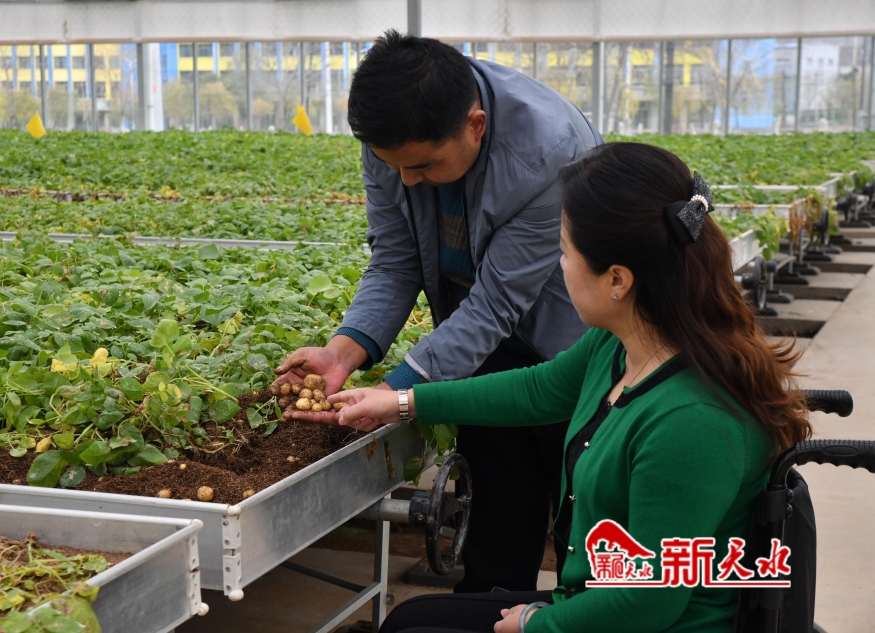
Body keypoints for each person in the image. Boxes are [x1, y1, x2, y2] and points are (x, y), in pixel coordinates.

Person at [326, 142, 811, 633]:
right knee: (409, 619)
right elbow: (538, 390)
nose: (559, 265)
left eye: (564, 251)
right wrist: (403, 401)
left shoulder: (692, 422)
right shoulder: (620, 344)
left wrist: (537, 624)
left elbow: (648, 602)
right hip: (590, 599)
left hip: (654, 624)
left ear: (617, 279)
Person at [273, 31, 602, 592]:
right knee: (500, 503)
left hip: (566, 335)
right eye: (392, 164)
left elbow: (497, 301)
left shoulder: (549, 152)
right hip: (475, 338)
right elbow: (396, 259)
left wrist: (399, 391)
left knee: (581, 504)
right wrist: (341, 353)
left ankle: (582, 608)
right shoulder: (396, 135)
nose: (405, 179)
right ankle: (492, 604)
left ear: (476, 126)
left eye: (423, 166)